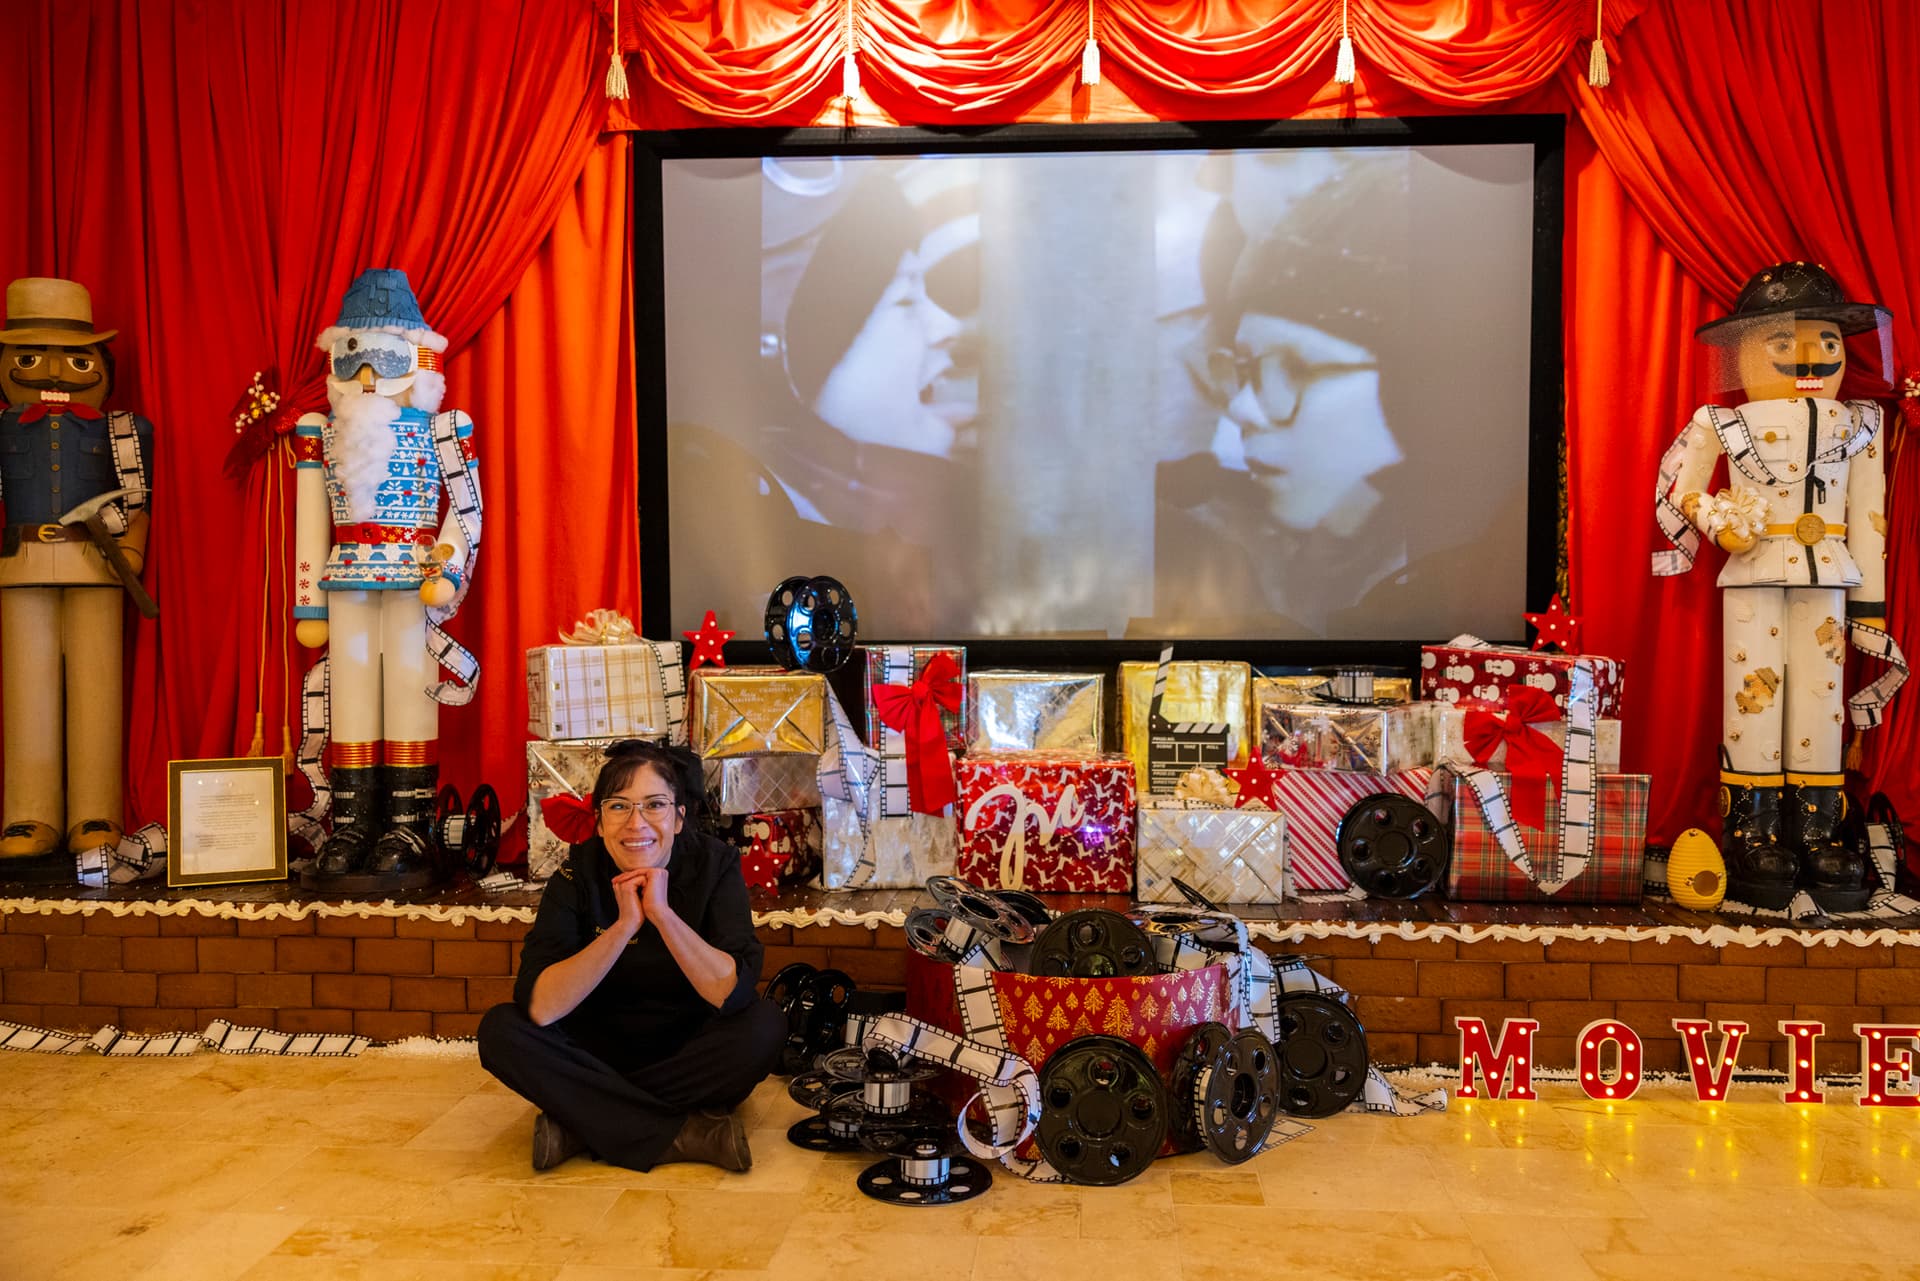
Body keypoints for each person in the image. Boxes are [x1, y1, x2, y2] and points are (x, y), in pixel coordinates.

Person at [1653, 261, 1904, 911]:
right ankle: (1752, 829)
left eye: (1825, 341)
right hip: (1756, 570)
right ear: (1742, 353)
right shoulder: (1720, 422)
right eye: (1784, 343)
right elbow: (1685, 493)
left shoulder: (1863, 428)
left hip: (1830, 578)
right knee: (1754, 699)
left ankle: (1818, 828)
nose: (1809, 356)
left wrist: (1871, 611)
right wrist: (1720, 522)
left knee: (1819, 702)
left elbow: (1871, 521)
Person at [478, 741, 785, 1172]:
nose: (636, 823)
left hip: (688, 1052)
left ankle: (583, 1122)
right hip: (596, 1050)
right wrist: (623, 928)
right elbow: (543, 1006)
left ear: (679, 818)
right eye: (619, 807)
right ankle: (687, 1133)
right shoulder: (576, 873)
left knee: (764, 1027)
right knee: (501, 1031)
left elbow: (730, 993)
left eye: (654, 805)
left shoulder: (715, 865)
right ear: (600, 822)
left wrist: (661, 915)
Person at [293, 268, 482, 889]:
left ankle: (408, 822)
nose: (369, 378)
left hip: (412, 577)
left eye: (384, 361)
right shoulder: (323, 434)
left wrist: (447, 569)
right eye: (355, 362)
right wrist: (309, 606)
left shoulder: (444, 430)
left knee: (406, 688)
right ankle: (353, 821)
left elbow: (466, 507)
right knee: (350, 692)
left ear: (418, 360)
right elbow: (309, 520)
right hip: (344, 577)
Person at [0, 277, 153, 867]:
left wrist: (131, 554)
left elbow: (138, 502)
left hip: (99, 565)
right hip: (21, 563)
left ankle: (96, 809)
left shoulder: (124, 432)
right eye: (33, 357)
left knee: (96, 686)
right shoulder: (3, 429)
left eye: (76, 357)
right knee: (27, 687)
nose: (56, 373)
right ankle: (28, 812)